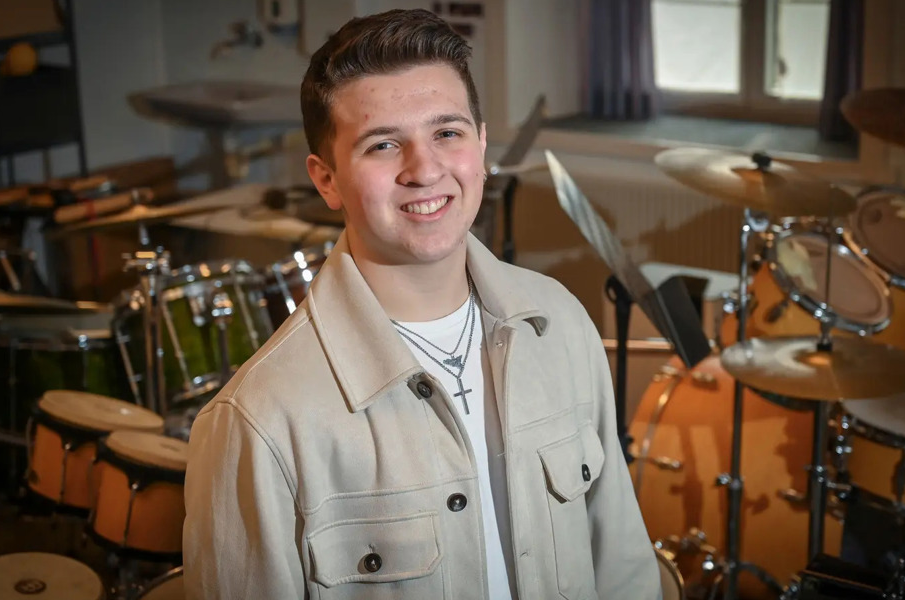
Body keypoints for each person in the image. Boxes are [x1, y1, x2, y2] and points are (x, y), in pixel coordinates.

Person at [183, 8, 660, 599]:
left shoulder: (560, 323)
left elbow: (623, 569)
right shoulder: (258, 421)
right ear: (326, 178)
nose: (425, 169)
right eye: (383, 145)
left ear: (481, 145)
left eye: (447, 133)